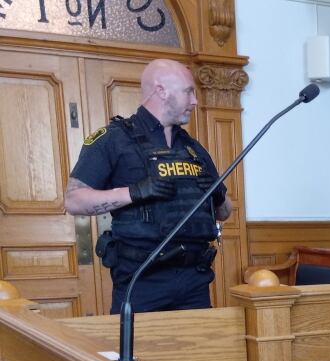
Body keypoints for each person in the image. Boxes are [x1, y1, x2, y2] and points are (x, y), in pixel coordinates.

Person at [65, 58, 232, 313]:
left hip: (194, 280)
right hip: (141, 281)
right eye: (188, 91)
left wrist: (218, 194)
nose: (195, 100)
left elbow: (224, 213)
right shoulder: (113, 139)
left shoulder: (192, 148)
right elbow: (74, 201)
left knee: (199, 353)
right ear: (161, 90)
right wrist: (133, 192)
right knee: (139, 353)